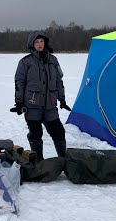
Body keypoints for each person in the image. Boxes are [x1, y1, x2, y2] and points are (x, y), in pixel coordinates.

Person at [9, 30, 71, 162]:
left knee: (58, 132)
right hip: (32, 106)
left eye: (42, 41)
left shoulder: (53, 60)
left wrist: (62, 99)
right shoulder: (25, 62)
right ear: (32, 44)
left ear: (45, 42)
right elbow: (19, 82)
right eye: (36, 42)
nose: (39, 44)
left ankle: (64, 160)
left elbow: (59, 81)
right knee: (35, 135)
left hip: (50, 106)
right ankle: (38, 163)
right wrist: (19, 102)